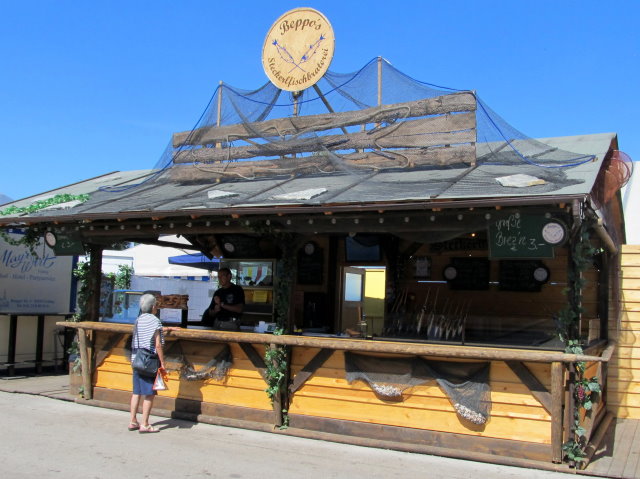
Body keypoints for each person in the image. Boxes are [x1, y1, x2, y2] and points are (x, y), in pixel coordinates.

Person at [129, 293, 166, 433]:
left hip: (136, 359)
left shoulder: (138, 320)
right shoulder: (155, 321)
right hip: (148, 362)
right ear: (153, 306)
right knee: (149, 394)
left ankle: (133, 421)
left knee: (136, 392)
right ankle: (145, 424)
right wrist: (162, 362)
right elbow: (158, 345)